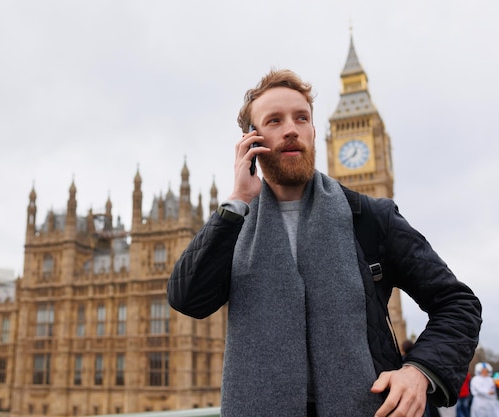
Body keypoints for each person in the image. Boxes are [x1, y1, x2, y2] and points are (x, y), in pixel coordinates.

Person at [167, 69, 482, 416]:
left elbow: (458, 304)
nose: (291, 128)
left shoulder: (370, 217)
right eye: (274, 120)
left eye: (302, 118)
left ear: (314, 132)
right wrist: (237, 200)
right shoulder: (234, 225)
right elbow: (188, 300)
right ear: (251, 142)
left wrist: (419, 371)